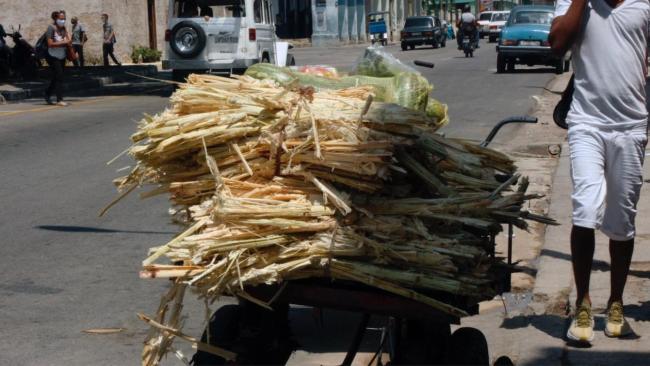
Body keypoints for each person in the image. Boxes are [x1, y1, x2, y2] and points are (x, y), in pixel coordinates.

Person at [549, 0, 649, 343]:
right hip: (587, 124)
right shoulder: (577, 4)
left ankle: (617, 302)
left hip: (632, 126)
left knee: (623, 220)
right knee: (585, 210)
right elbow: (557, 43)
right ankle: (582, 304)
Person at [44, 10, 70, 106]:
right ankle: (59, 99)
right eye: (61, 19)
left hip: (62, 55)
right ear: (55, 18)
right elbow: (50, 44)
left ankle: (47, 94)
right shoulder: (51, 28)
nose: (63, 21)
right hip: (52, 56)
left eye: (64, 19)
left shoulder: (63, 28)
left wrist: (67, 39)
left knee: (56, 77)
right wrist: (63, 42)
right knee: (59, 76)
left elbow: (69, 39)